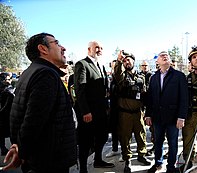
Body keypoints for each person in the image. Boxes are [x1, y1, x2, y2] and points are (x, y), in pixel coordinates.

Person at [3, 33, 77, 173]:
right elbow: (33, 120)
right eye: (56, 43)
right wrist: (21, 151)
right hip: (49, 161)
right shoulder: (46, 75)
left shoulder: (32, 72)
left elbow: (20, 115)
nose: (63, 48)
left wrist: (18, 146)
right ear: (43, 49)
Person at [74, 41, 114, 173]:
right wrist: (85, 111)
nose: (99, 50)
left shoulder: (100, 66)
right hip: (89, 113)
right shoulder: (82, 64)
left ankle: (98, 160)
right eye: (96, 47)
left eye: (101, 48)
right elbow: (80, 90)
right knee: (86, 141)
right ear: (89, 49)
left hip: (101, 112)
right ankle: (83, 169)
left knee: (102, 137)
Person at [145, 51, 188, 173]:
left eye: (167, 55)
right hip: (157, 117)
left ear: (169, 60)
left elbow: (184, 98)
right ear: (157, 61)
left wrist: (181, 117)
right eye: (161, 55)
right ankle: (158, 163)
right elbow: (150, 98)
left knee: (172, 143)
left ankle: (171, 167)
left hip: (173, 117)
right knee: (157, 142)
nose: (164, 56)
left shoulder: (179, 76)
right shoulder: (154, 78)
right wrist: (148, 114)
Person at [114, 50, 151, 173]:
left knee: (141, 135)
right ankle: (127, 159)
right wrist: (119, 61)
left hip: (138, 112)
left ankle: (142, 155)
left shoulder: (141, 77)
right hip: (125, 114)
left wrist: (146, 112)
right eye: (124, 61)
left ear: (134, 61)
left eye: (128, 59)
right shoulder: (121, 77)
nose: (127, 62)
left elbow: (144, 94)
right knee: (125, 137)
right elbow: (117, 72)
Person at [106, 60, 122, 160]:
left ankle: (124, 152)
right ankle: (115, 149)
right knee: (114, 130)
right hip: (112, 108)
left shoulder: (120, 78)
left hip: (121, 108)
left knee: (123, 131)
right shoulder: (109, 78)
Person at [0, 73, 14, 156]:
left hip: (3, 114)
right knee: (12, 132)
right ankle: (13, 149)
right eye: (8, 79)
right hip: (8, 114)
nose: (10, 80)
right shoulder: (8, 90)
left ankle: (3, 149)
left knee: (1, 133)